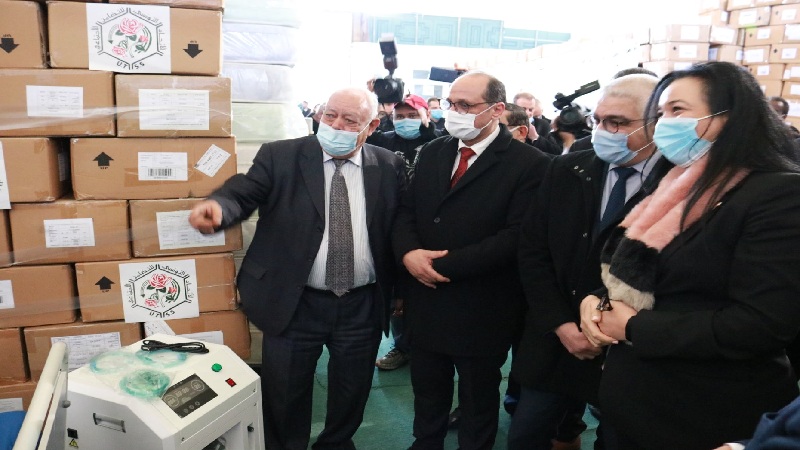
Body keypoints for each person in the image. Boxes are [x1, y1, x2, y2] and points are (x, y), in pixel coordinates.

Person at [580, 61, 800, 450]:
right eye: (661, 113)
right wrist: (597, 301)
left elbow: (763, 323)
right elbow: (637, 270)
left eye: (678, 110)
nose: (664, 123)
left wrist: (634, 328)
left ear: (730, 117)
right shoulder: (674, 182)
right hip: (631, 402)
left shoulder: (777, 195)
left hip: (705, 413)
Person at [188, 87, 407, 450]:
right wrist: (221, 208)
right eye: (330, 115)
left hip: (362, 303)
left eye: (350, 120)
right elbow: (244, 192)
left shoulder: (388, 165)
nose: (335, 125)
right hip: (294, 300)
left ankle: (336, 444)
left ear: (372, 126)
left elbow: (398, 227)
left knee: (352, 390)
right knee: (285, 392)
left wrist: (401, 289)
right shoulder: (282, 156)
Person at [509, 74, 671, 450]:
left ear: (657, 122)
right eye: (598, 120)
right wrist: (563, 326)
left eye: (618, 122)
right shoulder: (565, 169)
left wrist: (611, 326)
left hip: (629, 348)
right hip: (556, 336)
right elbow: (533, 252)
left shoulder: (680, 184)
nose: (603, 131)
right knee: (527, 433)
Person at [393, 71, 551, 450]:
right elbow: (407, 212)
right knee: (427, 391)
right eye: (451, 103)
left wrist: (438, 267)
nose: (454, 111)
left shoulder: (529, 163)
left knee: (478, 399)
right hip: (425, 302)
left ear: (496, 110)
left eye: (465, 105)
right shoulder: (434, 151)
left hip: (483, 305)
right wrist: (409, 253)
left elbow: (516, 237)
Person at [368, 93, 442, 371]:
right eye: (400, 116)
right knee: (395, 292)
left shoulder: (440, 142)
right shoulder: (383, 141)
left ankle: (429, 343)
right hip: (390, 223)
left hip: (429, 224)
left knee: (427, 285)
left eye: (412, 115)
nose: (405, 121)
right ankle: (402, 346)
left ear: (425, 115)